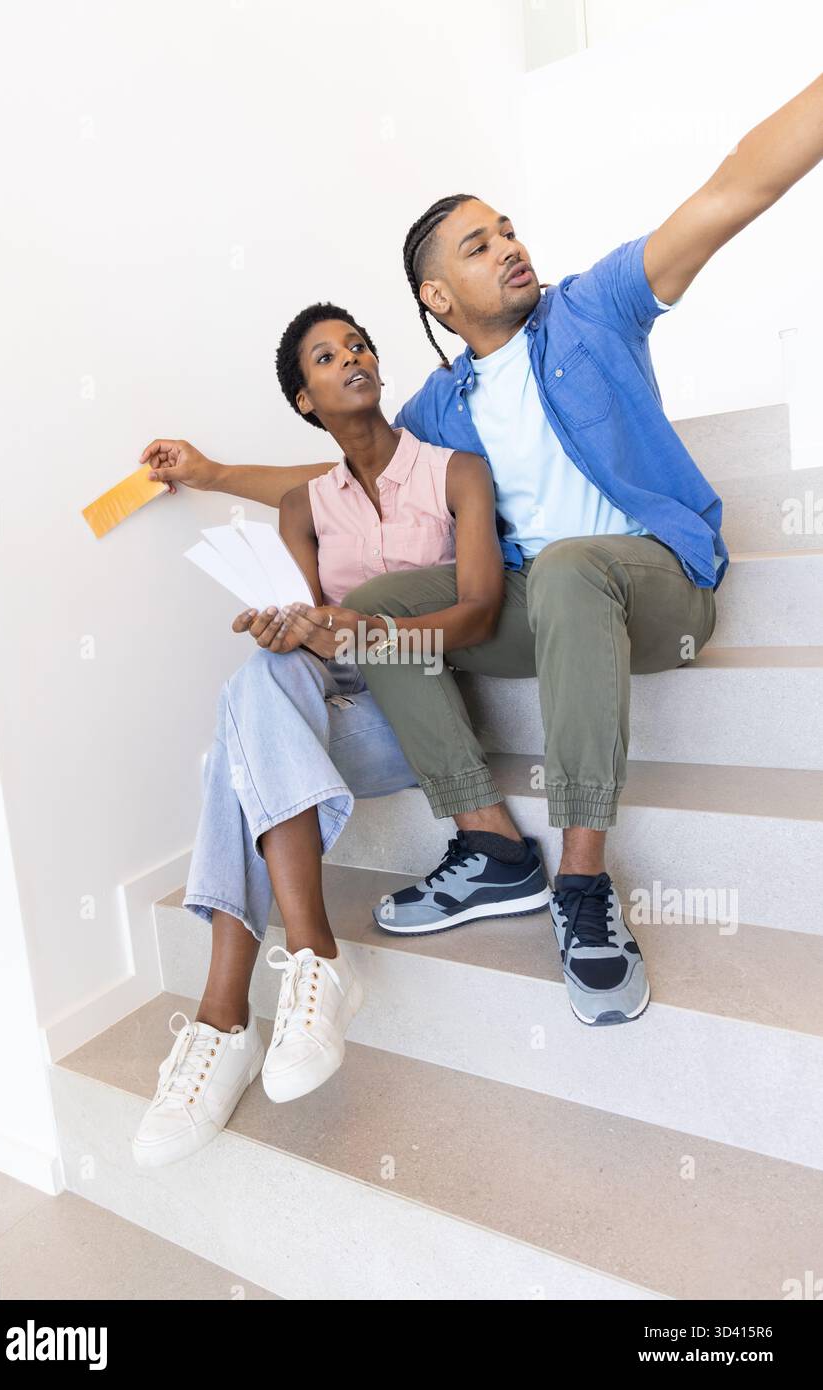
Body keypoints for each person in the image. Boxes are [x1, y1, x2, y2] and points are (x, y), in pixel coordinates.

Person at [141, 75, 823, 1028]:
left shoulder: (594, 312)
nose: (509, 247)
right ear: (436, 294)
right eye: (478, 244)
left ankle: (581, 879)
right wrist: (212, 473)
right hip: (547, 612)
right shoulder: (442, 408)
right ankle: (491, 843)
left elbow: (732, 189)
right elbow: (335, 464)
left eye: (507, 230)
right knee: (383, 599)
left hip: (655, 589)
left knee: (572, 563)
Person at [132, 303, 550, 1168]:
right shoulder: (306, 504)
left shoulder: (454, 472)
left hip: (426, 713)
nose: (350, 357)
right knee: (259, 680)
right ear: (305, 398)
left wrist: (355, 629)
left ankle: (226, 1018)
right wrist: (298, 628)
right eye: (327, 356)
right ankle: (305, 968)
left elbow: (478, 612)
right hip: (343, 709)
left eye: (357, 345)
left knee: (230, 754)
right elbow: (310, 625)